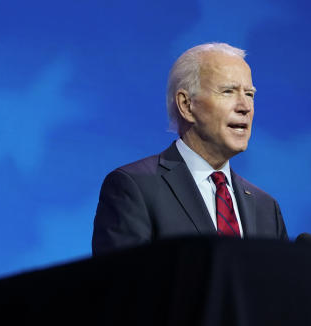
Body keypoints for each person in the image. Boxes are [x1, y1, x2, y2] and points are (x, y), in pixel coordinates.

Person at [92, 42, 287, 253]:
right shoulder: (134, 187)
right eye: (228, 91)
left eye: (250, 94)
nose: (245, 107)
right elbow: (121, 283)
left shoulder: (266, 207)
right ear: (186, 105)